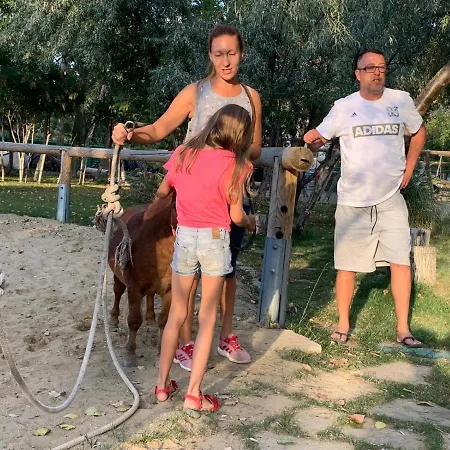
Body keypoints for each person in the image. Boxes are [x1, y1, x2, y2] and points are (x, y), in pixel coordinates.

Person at [112, 24, 262, 369]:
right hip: (191, 200)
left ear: (241, 53)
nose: (226, 61)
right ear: (210, 55)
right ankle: (186, 342)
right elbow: (159, 128)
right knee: (187, 271)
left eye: (232, 53)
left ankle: (225, 336)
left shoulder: (251, 97)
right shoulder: (195, 93)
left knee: (227, 269)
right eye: (219, 54)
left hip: (230, 192)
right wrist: (130, 133)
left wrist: (231, 154)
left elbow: (255, 145)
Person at [303, 49, 426, 347]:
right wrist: (312, 140)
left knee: (400, 262)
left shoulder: (400, 100)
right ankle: (343, 325)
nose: (377, 72)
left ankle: (403, 330)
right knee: (346, 266)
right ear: (357, 74)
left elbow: (419, 131)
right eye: (370, 68)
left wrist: (410, 167)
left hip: (391, 199)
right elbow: (321, 138)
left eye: (381, 67)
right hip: (353, 203)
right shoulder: (344, 107)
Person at [153, 104, 256, 415]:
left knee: (177, 313)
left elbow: (163, 191)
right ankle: (194, 394)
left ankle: (162, 386)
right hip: (214, 239)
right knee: (207, 317)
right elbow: (236, 216)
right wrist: (252, 223)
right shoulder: (239, 166)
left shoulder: (184, 153)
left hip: (185, 236)